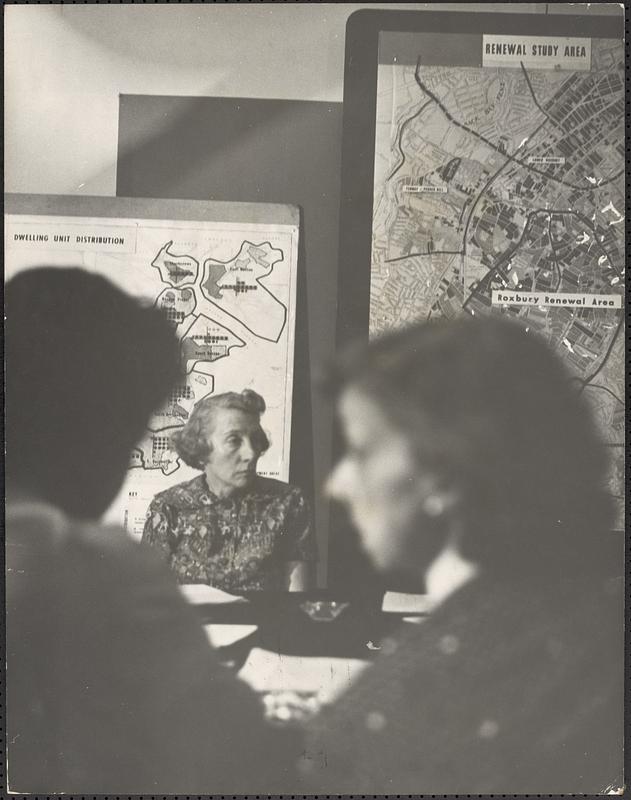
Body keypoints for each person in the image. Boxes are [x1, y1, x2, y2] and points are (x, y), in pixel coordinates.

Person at [296, 316, 623, 795]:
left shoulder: (407, 706)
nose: (338, 485)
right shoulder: (591, 624)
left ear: (446, 476)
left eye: (362, 452)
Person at [5, 267, 293, 794]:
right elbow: (242, 750)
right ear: (96, 431)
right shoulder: (101, 573)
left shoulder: (284, 502)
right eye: (131, 433)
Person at [142, 390, 317, 592]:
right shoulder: (169, 508)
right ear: (201, 447)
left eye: (255, 439)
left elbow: (296, 596)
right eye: (234, 440)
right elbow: (147, 594)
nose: (251, 453)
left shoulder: (288, 502)